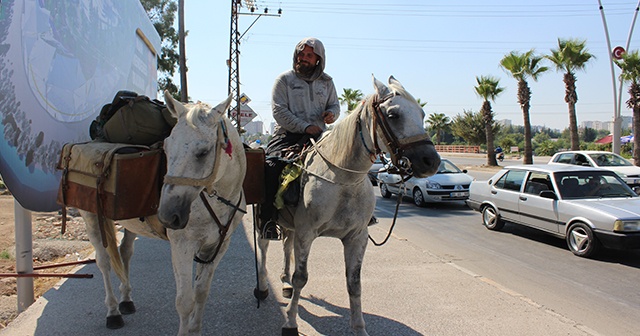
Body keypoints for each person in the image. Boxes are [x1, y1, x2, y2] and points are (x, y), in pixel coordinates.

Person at [259, 37, 340, 240]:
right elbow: (279, 112)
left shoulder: (327, 82)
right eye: (301, 54)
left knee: (349, 160)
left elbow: (335, 106)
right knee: (270, 166)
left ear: (318, 59)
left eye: (309, 56)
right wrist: (305, 126)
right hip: (288, 134)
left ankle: (358, 215)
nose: (304, 58)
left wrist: (332, 114)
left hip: (321, 135)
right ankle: (267, 219)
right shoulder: (284, 80)